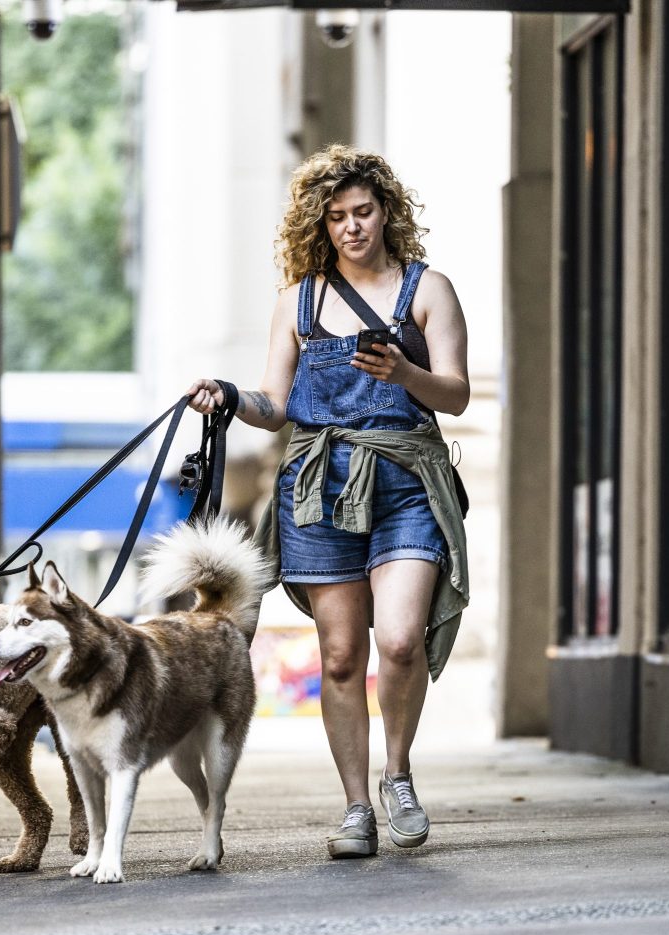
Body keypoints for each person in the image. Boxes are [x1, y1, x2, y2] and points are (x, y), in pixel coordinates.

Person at [187, 144, 470, 860]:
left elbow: (457, 393)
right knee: (341, 654)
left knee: (400, 638)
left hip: (404, 478)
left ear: (387, 213)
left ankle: (397, 774)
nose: (352, 227)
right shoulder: (300, 300)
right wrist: (228, 396)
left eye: (364, 212)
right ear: (321, 223)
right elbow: (276, 404)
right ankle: (354, 807)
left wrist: (406, 372)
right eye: (338, 216)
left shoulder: (427, 290)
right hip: (317, 487)